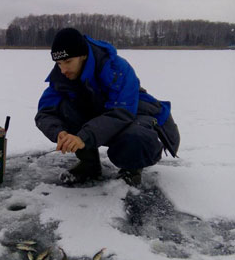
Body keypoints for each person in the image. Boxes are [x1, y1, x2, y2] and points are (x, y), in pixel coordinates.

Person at [35, 28, 180, 186]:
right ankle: (89, 165)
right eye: (59, 63)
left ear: (83, 55)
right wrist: (59, 132)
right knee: (63, 109)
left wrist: (83, 137)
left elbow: (121, 114)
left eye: (68, 62)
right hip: (101, 119)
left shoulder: (116, 68)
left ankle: (131, 169)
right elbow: (45, 113)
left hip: (137, 117)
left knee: (136, 136)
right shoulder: (62, 76)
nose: (63, 70)